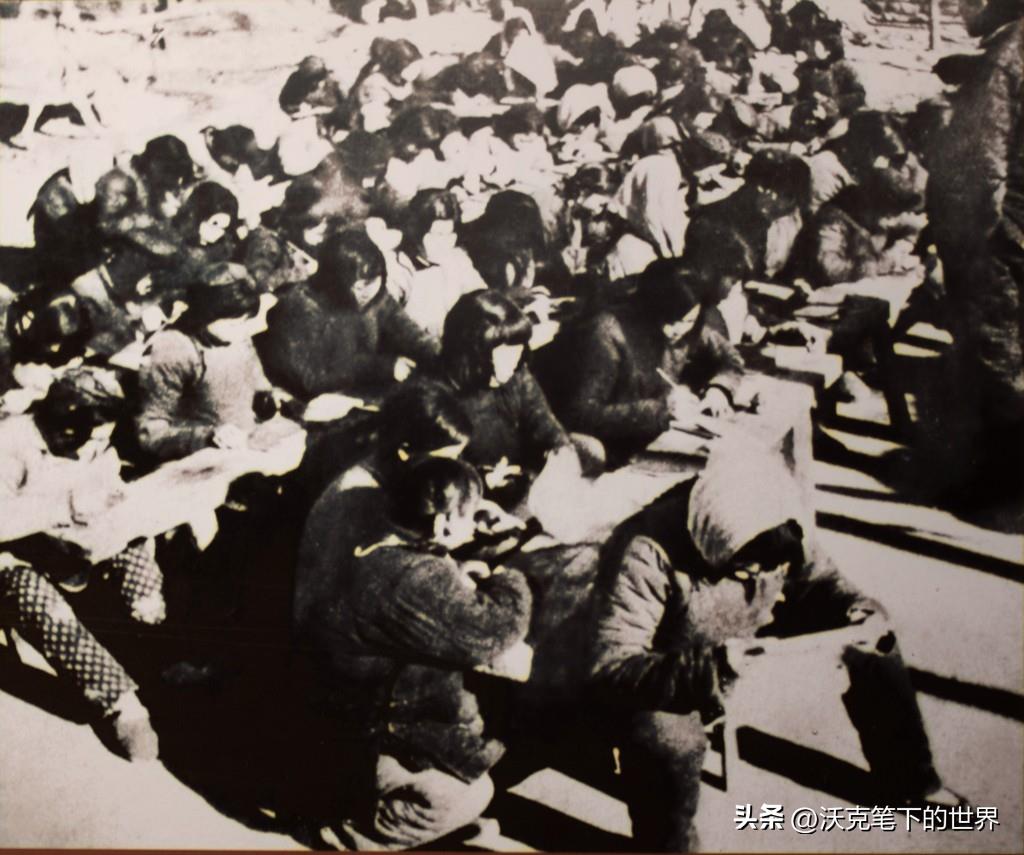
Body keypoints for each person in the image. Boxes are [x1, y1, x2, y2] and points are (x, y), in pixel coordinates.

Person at [587, 443, 964, 850]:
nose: (761, 574)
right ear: (713, 543)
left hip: (737, 629)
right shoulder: (643, 553)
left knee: (875, 642)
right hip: (671, 660)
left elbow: (820, 582)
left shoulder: (773, 517)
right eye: (746, 568)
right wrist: (710, 668)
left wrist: (855, 610)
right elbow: (612, 666)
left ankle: (909, 781)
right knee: (666, 739)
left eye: (773, 566)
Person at [292, 456, 532, 849]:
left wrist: (470, 548)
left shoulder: (375, 536)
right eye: (469, 514)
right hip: (357, 740)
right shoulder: (411, 578)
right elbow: (494, 631)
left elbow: (425, 577)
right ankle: (351, 833)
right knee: (472, 791)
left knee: (477, 726)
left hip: (333, 712)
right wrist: (508, 572)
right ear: (442, 524)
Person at [0, 369, 163, 761]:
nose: (97, 446)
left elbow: (106, 477)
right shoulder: (11, 442)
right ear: (64, 426)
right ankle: (118, 701)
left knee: (137, 539)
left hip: (77, 541)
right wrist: (66, 507)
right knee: (37, 600)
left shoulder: (94, 443)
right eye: (92, 438)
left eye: (103, 439)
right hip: (19, 552)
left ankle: (159, 645)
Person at [537, 258, 743, 465]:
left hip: (659, 439)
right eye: (667, 321)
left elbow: (731, 358)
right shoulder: (608, 332)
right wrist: (659, 410)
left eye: (686, 321)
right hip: (613, 450)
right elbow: (581, 414)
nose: (674, 331)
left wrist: (719, 390)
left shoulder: (690, 323)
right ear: (649, 308)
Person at [257, 229, 438, 401]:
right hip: (316, 401)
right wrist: (384, 367)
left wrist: (437, 353)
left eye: (375, 283)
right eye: (360, 287)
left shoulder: (374, 294)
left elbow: (405, 329)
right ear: (338, 282)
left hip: (362, 390)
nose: (369, 293)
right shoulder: (300, 306)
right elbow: (314, 378)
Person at [136, 263, 274, 460]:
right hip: (196, 458)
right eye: (234, 324)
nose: (244, 331)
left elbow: (255, 379)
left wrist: (267, 398)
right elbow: (150, 433)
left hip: (244, 446)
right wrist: (206, 437)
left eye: (245, 322)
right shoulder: (175, 348)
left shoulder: (236, 336)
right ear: (204, 317)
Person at [395, 190, 487, 338]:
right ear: (417, 233)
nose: (444, 243)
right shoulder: (402, 267)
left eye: (450, 234)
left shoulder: (457, 257)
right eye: (437, 235)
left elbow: (481, 296)